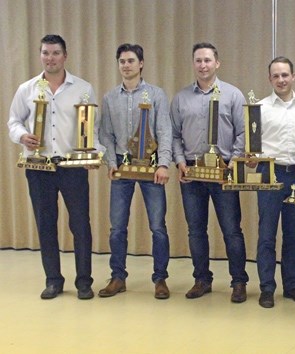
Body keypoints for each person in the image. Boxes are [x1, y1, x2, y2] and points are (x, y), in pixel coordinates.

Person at [7, 34, 100, 300]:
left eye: (56, 53)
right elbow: (14, 121)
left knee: (81, 224)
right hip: (39, 168)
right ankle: (53, 280)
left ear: (65, 56)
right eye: (46, 53)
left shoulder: (83, 88)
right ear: (40, 56)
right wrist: (22, 136)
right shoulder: (27, 89)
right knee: (46, 224)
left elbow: (92, 128)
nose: (51, 58)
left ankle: (84, 281)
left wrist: (94, 155)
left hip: (72, 167)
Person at [170, 42, 249, 303]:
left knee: (231, 230)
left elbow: (242, 132)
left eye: (207, 60)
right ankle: (201, 279)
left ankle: (239, 282)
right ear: (193, 64)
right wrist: (180, 162)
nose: (203, 65)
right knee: (196, 230)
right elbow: (174, 135)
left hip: (223, 171)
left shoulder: (233, 95)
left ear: (217, 63)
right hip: (192, 173)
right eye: (198, 60)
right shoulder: (181, 98)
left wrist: (233, 161)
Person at [98, 43, 172, 300]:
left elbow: (164, 131)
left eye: (131, 60)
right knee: (117, 227)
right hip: (121, 164)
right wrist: (111, 162)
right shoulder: (109, 98)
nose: (126, 65)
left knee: (158, 226)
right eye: (122, 61)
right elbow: (105, 134)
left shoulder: (156, 94)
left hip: (151, 166)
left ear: (141, 63)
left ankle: (160, 279)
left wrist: (163, 163)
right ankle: (118, 277)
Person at [255, 56, 295, 308]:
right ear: (270, 79)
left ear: (293, 76)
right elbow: (252, 148)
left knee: (293, 235)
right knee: (266, 234)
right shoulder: (259, 108)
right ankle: (267, 288)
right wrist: (252, 158)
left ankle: (292, 286)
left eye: (285, 75)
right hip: (270, 174)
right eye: (275, 76)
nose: (281, 80)